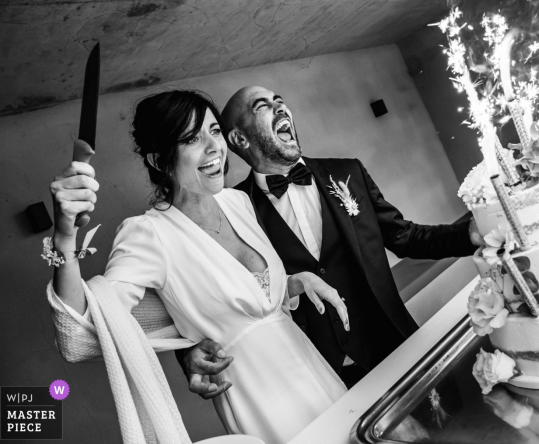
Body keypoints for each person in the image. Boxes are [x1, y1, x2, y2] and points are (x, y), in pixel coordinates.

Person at [48, 90, 351, 444]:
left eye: (215, 131)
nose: (214, 147)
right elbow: (80, 331)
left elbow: (252, 298)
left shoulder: (238, 201)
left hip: (312, 368)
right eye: (192, 139)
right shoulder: (148, 234)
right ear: (160, 161)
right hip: (260, 398)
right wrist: (64, 239)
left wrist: (291, 283)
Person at [180, 86, 479, 397]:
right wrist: (187, 352)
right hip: (318, 379)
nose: (280, 108)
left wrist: (471, 233)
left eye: (280, 100)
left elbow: (406, 237)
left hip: (395, 345)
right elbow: (214, 296)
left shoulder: (348, 172)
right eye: (262, 106)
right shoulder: (235, 211)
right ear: (239, 139)